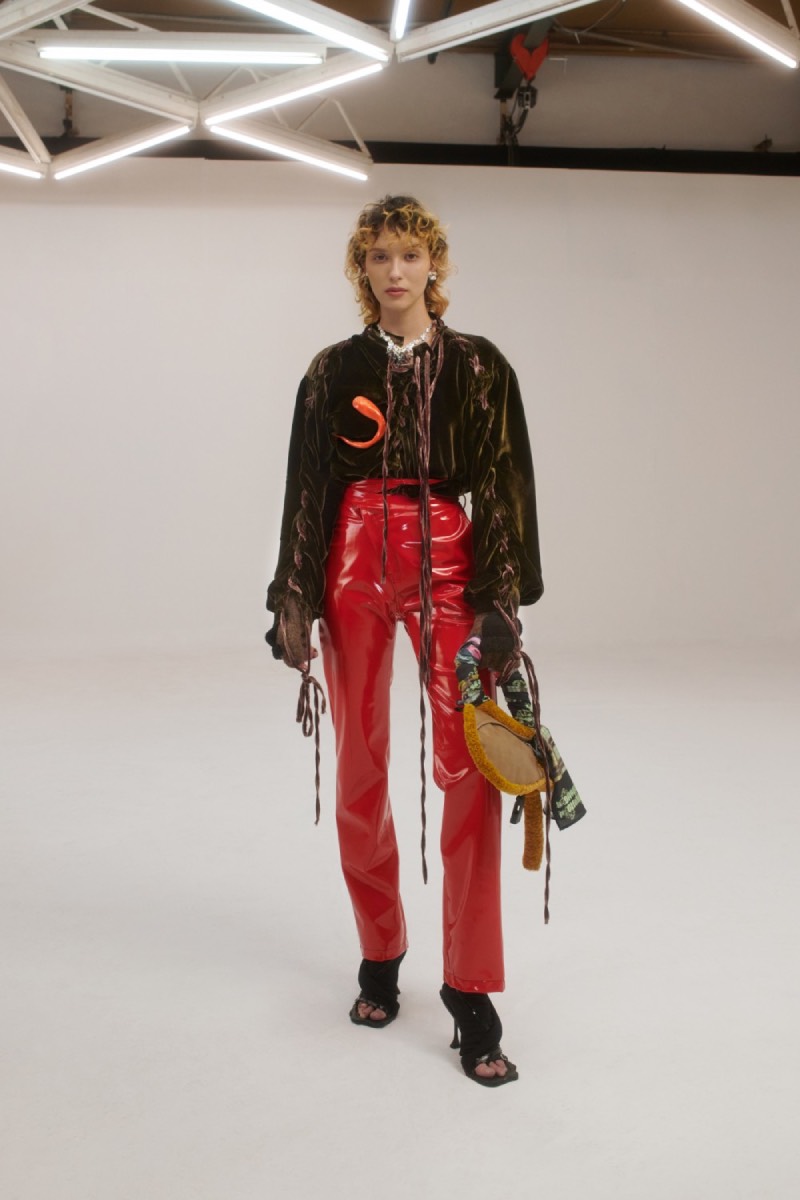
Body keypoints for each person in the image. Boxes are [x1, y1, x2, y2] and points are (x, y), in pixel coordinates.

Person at [266, 195, 543, 1087]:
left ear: (434, 265)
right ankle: (380, 950)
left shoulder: (479, 366)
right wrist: (293, 591)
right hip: (351, 553)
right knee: (360, 764)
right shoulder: (330, 369)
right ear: (362, 268)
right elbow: (308, 484)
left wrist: (500, 599)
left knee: (470, 760)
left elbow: (501, 481)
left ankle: (471, 987)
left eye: (410, 256)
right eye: (380, 256)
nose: (395, 271)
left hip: (446, 552)